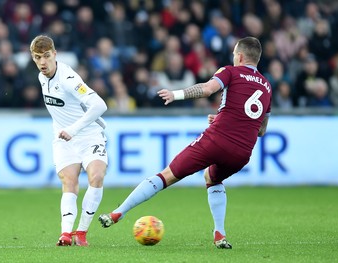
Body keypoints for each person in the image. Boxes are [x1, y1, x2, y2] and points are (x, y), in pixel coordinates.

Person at [99, 37, 272, 249]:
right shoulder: (267, 87)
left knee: (167, 175)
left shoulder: (230, 71)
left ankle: (118, 212)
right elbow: (261, 129)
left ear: (240, 56)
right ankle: (220, 234)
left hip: (217, 140)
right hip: (243, 152)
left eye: (234, 54)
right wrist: (221, 118)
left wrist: (176, 94)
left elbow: (208, 89)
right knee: (212, 177)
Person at [30, 35, 108, 246]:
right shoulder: (41, 77)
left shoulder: (68, 78)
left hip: (88, 134)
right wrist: (66, 131)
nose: (43, 62)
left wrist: (73, 129)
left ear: (55, 54)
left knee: (97, 176)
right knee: (69, 181)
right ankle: (65, 234)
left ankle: (81, 232)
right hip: (63, 138)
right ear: (33, 58)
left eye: (47, 56)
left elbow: (100, 106)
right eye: (38, 57)